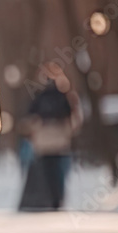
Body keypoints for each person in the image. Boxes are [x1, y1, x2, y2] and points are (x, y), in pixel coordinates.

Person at [18, 63, 81, 211]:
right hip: (61, 144)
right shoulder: (66, 97)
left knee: (46, 174)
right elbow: (74, 120)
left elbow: (30, 119)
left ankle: (48, 200)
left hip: (43, 144)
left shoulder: (39, 97)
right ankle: (57, 200)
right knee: (59, 175)